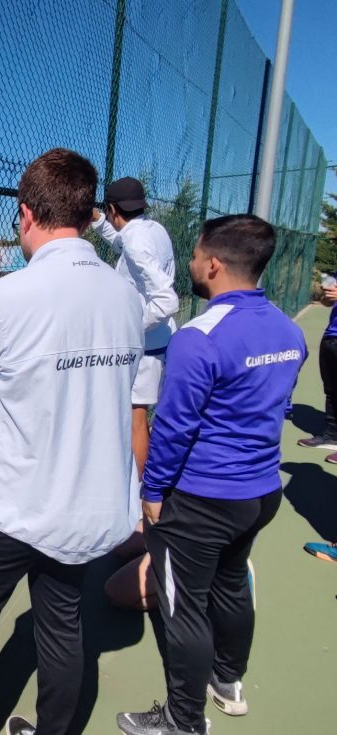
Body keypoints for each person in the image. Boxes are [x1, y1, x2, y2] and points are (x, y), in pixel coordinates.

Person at [0, 148, 143, 735]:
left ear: (26, 214)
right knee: (63, 625)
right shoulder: (124, 297)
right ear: (86, 214)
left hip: (6, 506)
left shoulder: (5, 297)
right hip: (83, 508)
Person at [116, 215, 306, 735]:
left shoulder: (198, 338)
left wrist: (152, 492)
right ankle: (228, 682)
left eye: (196, 256)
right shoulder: (289, 331)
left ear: (214, 265)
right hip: (260, 493)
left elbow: (174, 428)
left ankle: (182, 722)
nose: (192, 265)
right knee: (231, 587)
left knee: (183, 610)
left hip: (201, 501)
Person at [92, 177, 179, 612]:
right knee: (135, 418)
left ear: (112, 207)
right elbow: (130, 245)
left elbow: (166, 301)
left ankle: (143, 510)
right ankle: (139, 513)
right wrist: (102, 227)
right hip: (156, 346)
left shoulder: (139, 242)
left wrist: (128, 325)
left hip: (143, 346)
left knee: (134, 419)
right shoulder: (151, 230)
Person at [295, 273, 337, 461]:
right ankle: (331, 435)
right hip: (331, 338)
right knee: (331, 390)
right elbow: (328, 303)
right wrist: (327, 298)